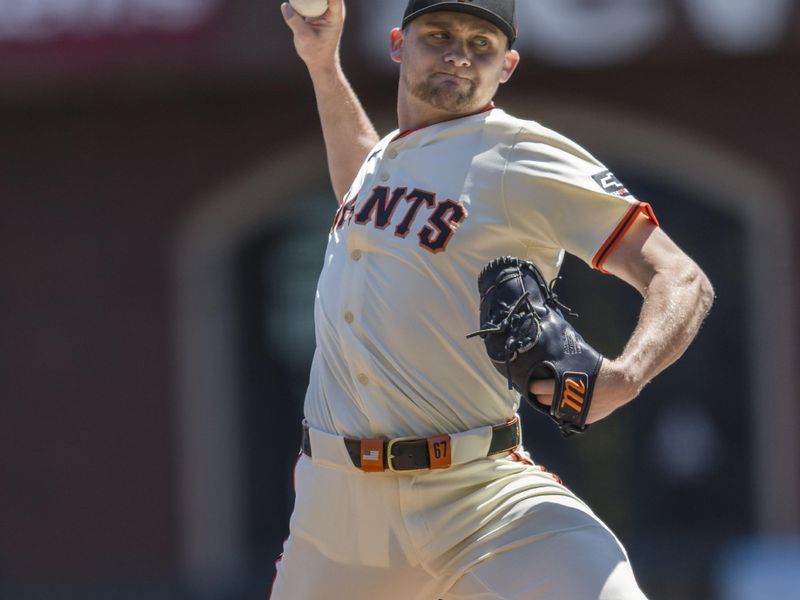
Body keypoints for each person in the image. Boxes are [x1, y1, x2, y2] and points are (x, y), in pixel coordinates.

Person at [272, 1, 714, 598]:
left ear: (506, 67)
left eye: (482, 44)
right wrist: (323, 66)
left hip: (479, 498)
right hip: (336, 516)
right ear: (399, 44)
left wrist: (626, 375)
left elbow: (680, 276)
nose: (459, 54)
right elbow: (363, 184)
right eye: (440, 35)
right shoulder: (386, 162)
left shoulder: (516, 152)